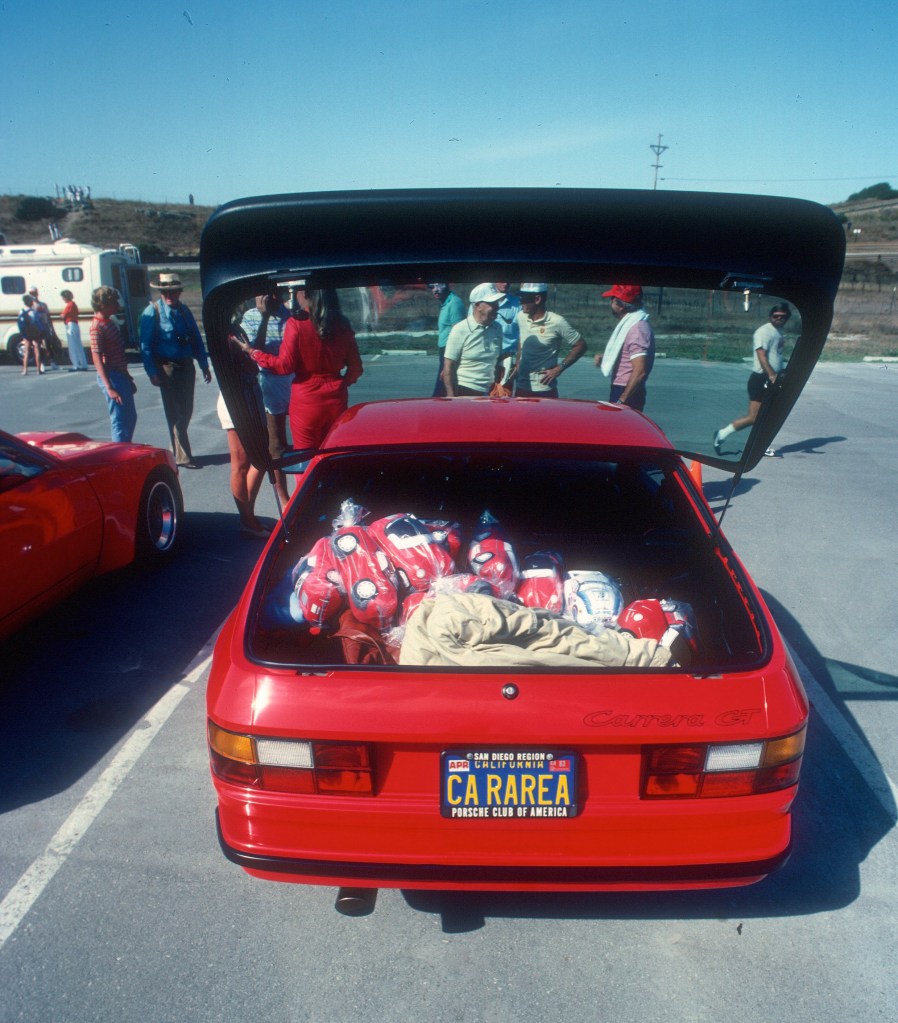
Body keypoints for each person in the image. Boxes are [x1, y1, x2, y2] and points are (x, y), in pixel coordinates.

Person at [235, 287, 363, 449]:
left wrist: (254, 353)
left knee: (306, 456)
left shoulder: (297, 324)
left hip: (306, 399)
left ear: (305, 294)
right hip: (336, 397)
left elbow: (284, 366)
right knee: (333, 450)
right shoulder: (343, 325)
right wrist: (343, 383)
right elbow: (356, 368)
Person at [139, 272, 211, 468]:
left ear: (179, 292)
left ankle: (175, 450)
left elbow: (196, 339)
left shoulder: (184, 311)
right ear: (161, 293)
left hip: (186, 366)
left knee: (186, 411)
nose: (170, 295)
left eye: (173, 291)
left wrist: (204, 365)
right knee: (176, 413)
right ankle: (183, 457)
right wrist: (152, 372)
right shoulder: (151, 312)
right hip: (167, 367)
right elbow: (145, 346)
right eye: (165, 292)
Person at [713, 303, 791, 457]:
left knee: (766, 416)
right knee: (755, 417)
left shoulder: (778, 332)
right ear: (771, 316)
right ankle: (723, 434)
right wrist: (772, 375)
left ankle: (756, 444)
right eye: (776, 316)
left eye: (783, 317)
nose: (779, 319)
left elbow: (776, 355)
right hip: (761, 378)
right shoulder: (764, 332)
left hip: (771, 378)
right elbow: (761, 356)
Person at [217, 323, 270, 538]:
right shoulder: (222, 333)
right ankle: (247, 520)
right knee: (240, 462)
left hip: (251, 393)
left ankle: (248, 516)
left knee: (261, 457)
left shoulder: (236, 327)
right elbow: (242, 363)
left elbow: (254, 355)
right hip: (235, 397)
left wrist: (265, 316)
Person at [240, 292, 293, 506]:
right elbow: (252, 350)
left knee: (299, 440)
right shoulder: (250, 317)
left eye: (272, 293)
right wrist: (264, 317)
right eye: (263, 293)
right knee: (276, 445)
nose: (269, 298)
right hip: (268, 382)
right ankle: (284, 498)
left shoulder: (290, 316)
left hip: (292, 380)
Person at [510, 283, 586, 397]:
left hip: (544, 388)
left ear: (537, 299)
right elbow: (522, 338)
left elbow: (580, 345)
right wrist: (517, 362)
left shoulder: (557, 321)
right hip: (521, 386)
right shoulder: (521, 316)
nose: (520, 302)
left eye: (524, 298)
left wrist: (559, 368)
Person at [595, 284, 655, 411]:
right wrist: (606, 358)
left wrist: (622, 400)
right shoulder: (633, 324)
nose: (610, 302)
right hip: (625, 388)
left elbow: (640, 371)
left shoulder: (637, 328)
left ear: (620, 305)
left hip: (627, 391)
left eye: (612, 299)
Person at [90, 286, 137, 443]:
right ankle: (120, 455)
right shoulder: (97, 326)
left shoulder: (108, 322)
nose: (117, 305)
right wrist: (109, 387)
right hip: (112, 377)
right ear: (104, 304)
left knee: (129, 417)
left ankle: (124, 449)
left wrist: (128, 378)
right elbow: (96, 357)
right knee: (120, 420)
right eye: (114, 302)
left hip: (120, 375)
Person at [440, 283, 506, 397]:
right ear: (478, 306)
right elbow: (448, 368)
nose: (497, 307)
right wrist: (451, 398)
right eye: (492, 304)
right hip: (465, 391)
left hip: (492, 392)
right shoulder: (460, 330)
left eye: (497, 303)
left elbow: (497, 361)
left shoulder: (497, 328)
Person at [428, 283, 466, 396]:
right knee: (441, 393)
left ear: (447, 285)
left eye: (439, 285)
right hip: (444, 351)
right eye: (432, 287)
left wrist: (447, 366)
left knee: (441, 394)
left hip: (449, 352)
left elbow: (459, 334)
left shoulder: (454, 303)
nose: (435, 290)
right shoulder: (445, 303)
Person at [27, 286, 62, 370]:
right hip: (36, 328)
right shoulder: (31, 306)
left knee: (48, 345)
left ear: (37, 293)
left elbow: (48, 317)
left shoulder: (43, 304)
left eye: (34, 293)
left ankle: (52, 362)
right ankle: (41, 363)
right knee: (39, 346)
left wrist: (52, 329)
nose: (33, 295)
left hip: (45, 326)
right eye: (31, 293)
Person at [493, 282, 521, 383]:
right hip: (485, 359)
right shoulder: (480, 302)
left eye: (508, 279)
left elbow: (523, 336)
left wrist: (518, 361)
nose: (505, 283)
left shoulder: (518, 305)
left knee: (503, 397)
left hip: (506, 360)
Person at [60, 289, 89, 370]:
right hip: (75, 324)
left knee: (72, 346)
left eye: (63, 297)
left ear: (66, 297)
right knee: (78, 345)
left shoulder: (69, 305)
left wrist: (61, 315)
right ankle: (84, 364)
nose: (63, 299)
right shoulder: (74, 305)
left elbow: (63, 315)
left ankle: (76, 365)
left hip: (70, 325)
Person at [17, 295, 43, 375]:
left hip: (27, 333)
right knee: (37, 350)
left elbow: (20, 323)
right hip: (35, 332)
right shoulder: (34, 311)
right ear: (31, 302)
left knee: (27, 351)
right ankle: (38, 369)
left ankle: (25, 370)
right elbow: (39, 322)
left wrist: (23, 333)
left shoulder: (21, 311)